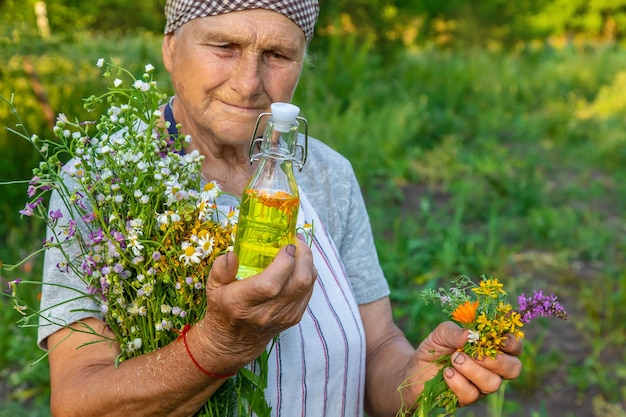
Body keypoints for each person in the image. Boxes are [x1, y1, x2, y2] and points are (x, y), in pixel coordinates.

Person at [38, 1, 523, 416]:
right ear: (170, 46)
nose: (249, 83)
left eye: (277, 54)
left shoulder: (328, 174)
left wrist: (414, 381)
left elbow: (377, 347)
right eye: (224, 47)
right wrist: (220, 345)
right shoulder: (101, 182)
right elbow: (80, 399)